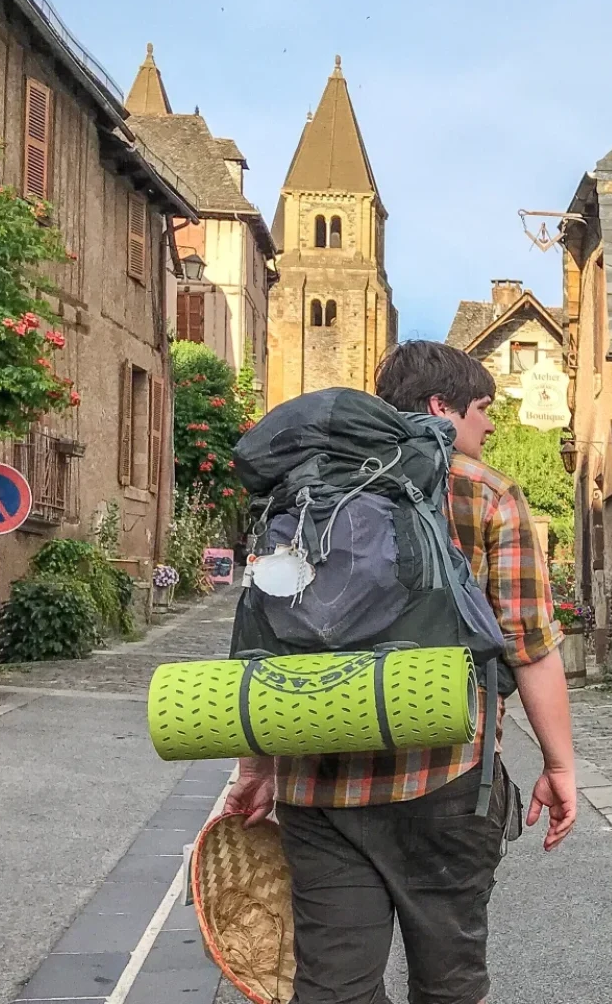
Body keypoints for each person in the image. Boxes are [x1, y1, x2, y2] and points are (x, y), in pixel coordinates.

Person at [224, 340, 578, 1004]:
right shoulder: (487, 494)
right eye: (481, 409)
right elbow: (529, 646)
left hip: (317, 783)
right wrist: (560, 767)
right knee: (448, 984)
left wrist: (256, 768)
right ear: (441, 410)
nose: (490, 425)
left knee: (334, 988)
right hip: (445, 783)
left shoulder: (305, 491)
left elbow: (271, 641)